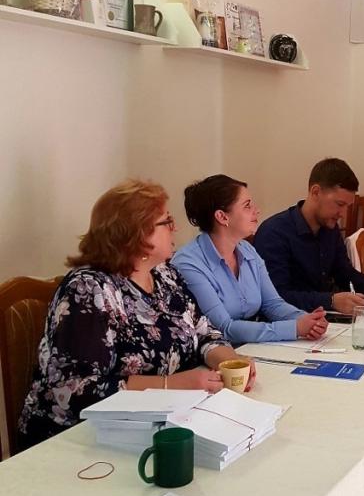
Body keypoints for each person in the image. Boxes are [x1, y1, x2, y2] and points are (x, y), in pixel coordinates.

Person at [18, 179, 255, 449]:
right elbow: (75, 389)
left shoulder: (165, 274)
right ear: (138, 234)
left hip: (154, 423)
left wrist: (229, 360)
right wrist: (170, 385)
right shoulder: (88, 289)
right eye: (167, 221)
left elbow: (203, 331)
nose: (175, 228)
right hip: (79, 439)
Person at [172, 175, 328, 345]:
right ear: (222, 217)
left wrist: (308, 319)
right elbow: (224, 328)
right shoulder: (188, 264)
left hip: (254, 346)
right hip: (217, 352)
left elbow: (272, 304)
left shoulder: (247, 249)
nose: (256, 210)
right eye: (247, 206)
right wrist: (294, 328)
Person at [253, 158, 364, 314]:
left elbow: (344, 272)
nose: (343, 214)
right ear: (315, 192)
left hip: (324, 318)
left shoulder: (329, 228)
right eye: (340, 204)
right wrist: (330, 301)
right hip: (290, 322)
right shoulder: (274, 233)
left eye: (347, 206)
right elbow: (276, 297)